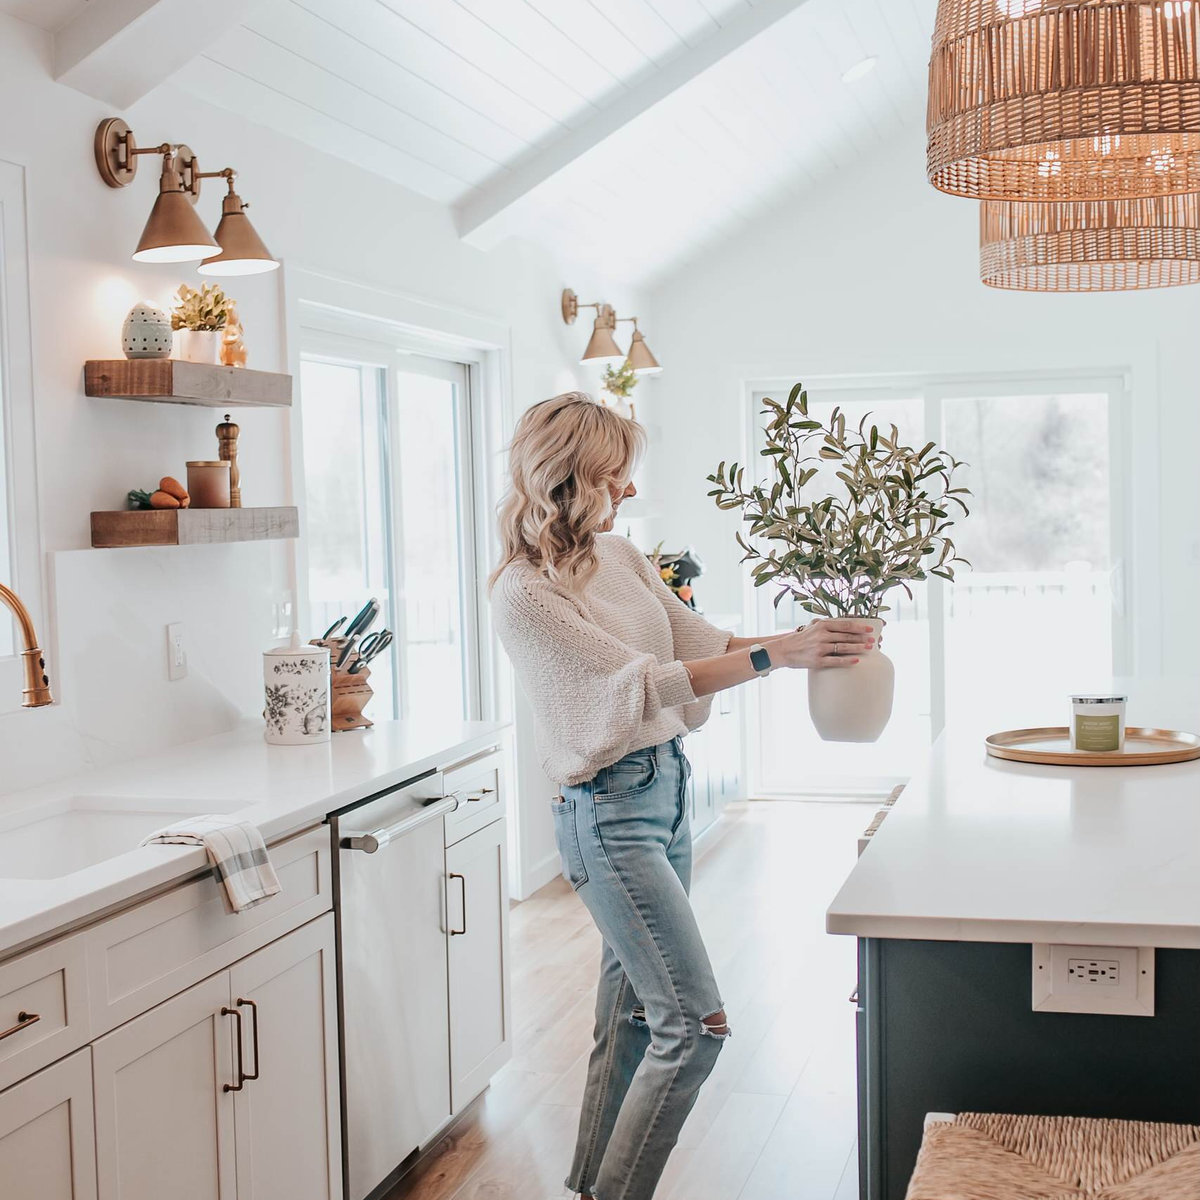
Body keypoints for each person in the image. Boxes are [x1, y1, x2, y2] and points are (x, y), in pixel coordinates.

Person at [489, 392, 875, 1200]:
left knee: (631, 1018)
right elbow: (646, 684)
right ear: (570, 476)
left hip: (664, 794)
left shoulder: (621, 556)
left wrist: (807, 643)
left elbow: (703, 644)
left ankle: (591, 1187)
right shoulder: (524, 593)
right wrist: (779, 656)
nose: (630, 489)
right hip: (606, 816)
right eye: (616, 475)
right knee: (695, 1028)